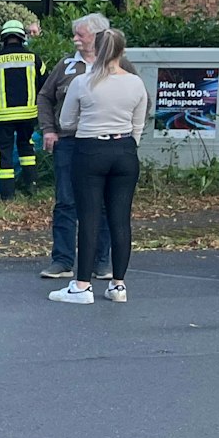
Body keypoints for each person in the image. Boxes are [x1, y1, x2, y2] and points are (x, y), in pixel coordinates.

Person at [50, 27, 148, 304]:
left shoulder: (83, 82)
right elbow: (139, 121)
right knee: (120, 219)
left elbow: (66, 121)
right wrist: (129, 143)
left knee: (89, 217)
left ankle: (82, 286)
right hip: (125, 150)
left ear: (98, 48)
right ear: (122, 51)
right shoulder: (135, 83)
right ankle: (118, 285)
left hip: (90, 149)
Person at [36, 12, 131, 280]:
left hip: (103, 145)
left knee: (102, 203)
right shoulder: (66, 66)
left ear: (99, 37)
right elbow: (44, 97)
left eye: (81, 34)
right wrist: (49, 129)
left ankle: (102, 261)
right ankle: (62, 260)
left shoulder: (121, 66)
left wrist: (129, 136)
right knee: (66, 201)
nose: (75, 39)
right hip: (69, 143)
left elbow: (138, 99)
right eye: (75, 34)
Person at [0, 20, 39, 200]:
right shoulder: (33, 58)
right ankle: (31, 187)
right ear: (22, 37)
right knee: (27, 149)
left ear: (3, 38)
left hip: (2, 117)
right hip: (29, 115)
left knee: (4, 153)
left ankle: (7, 195)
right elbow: (45, 83)